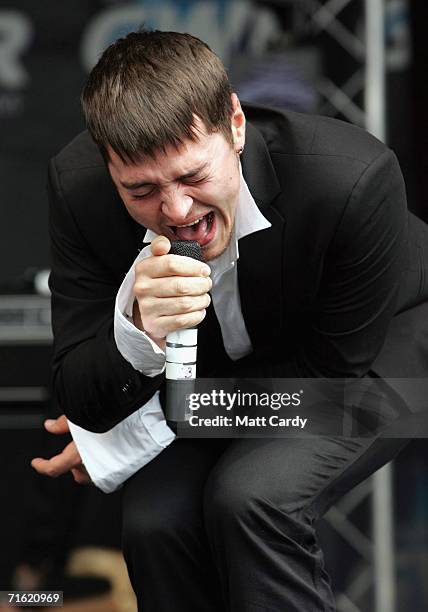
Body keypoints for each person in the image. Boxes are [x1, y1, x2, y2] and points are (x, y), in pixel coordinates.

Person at [32, 29, 428, 611]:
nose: (176, 212)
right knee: (154, 523)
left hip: (375, 358)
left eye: (193, 177)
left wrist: (134, 434)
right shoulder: (78, 189)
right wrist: (139, 334)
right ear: (107, 165)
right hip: (225, 378)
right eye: (140, 190)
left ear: (235, 127)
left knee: (251, 497)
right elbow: (80, 390)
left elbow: (322, 380)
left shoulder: (349, 178)